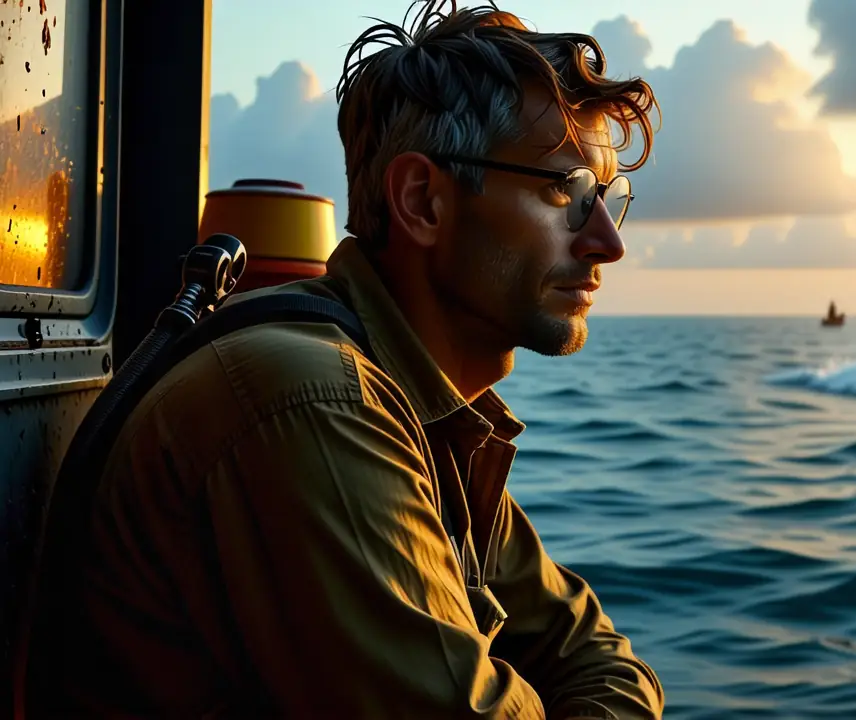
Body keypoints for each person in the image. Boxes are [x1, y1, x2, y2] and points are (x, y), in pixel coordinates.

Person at [23, 1, 663, 717]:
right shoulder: (315, 402)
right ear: (423, 201)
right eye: (565, 191)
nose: (608, 242)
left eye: (607, 198)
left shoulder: (425, 411)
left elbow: (594, 653)